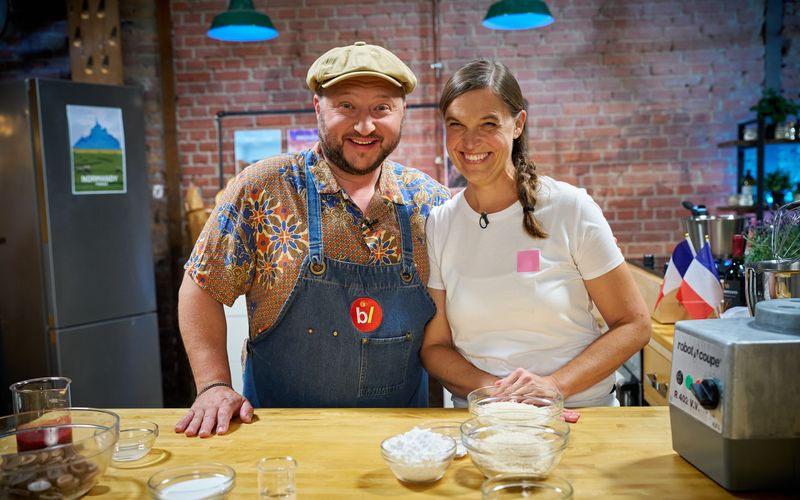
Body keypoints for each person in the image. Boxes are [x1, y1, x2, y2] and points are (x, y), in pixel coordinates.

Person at [175, 42, 450, 437]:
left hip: (402, 442)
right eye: (347, 106)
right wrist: (214, 385)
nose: (365, 126)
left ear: (402, 111)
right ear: (318, 107)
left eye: (381, 108)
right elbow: (201, 285)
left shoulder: (429, 202)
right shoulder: (264, 189)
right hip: (280, 437)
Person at [421, 60, 651, 408]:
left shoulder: (570, 208)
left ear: (518, 124)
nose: (470, 141)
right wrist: (496, 391)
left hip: (579, 416)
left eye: (488, 123)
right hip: (487, 422)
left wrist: (554, 385)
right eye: (456, 124)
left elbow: (633, 324)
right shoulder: (441, 223)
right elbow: (435, 347)